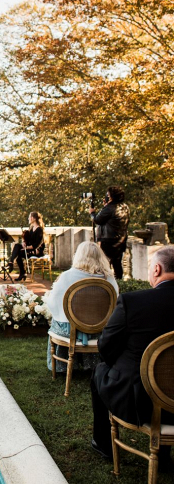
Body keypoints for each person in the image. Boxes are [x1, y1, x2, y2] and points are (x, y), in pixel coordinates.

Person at [90, 245, 174, 462]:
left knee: (99, 371)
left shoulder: (133, 302)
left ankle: (103, 444)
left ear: (156, 269)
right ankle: (164, 453)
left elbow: (106, 347)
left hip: (142, 401)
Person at [45, 241, 118, 372]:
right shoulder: (110, 279)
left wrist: (48, 296)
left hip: (71, 331)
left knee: (57, 321)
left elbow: (54, 304)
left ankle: (62, 366)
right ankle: (92, 363)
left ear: (78, 256)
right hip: (100, 331)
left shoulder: (67, 276)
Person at [89, 186, 130, 280]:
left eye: (107, 195)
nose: (106, 197)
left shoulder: (110, 208)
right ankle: (118, 284)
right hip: (121, 240)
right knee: (117, 265)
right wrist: (106, 207)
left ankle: (105, 284)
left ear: (111, 197)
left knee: (104, 265)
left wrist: (92, 213)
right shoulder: (124, 207)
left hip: (108, 241)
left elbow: (97, 220)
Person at [8, 212, 44, 282]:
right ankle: (12, 262)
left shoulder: (39, 229)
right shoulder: (31, 228)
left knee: (19, 254)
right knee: (17, 246)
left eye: (29, 217)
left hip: (36, 251)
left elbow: (36, 245)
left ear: (33, 218)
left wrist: (26, 248)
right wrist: (24, 242)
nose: (28, 219)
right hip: (30, 249)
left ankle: (21, 271)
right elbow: (28, 241)